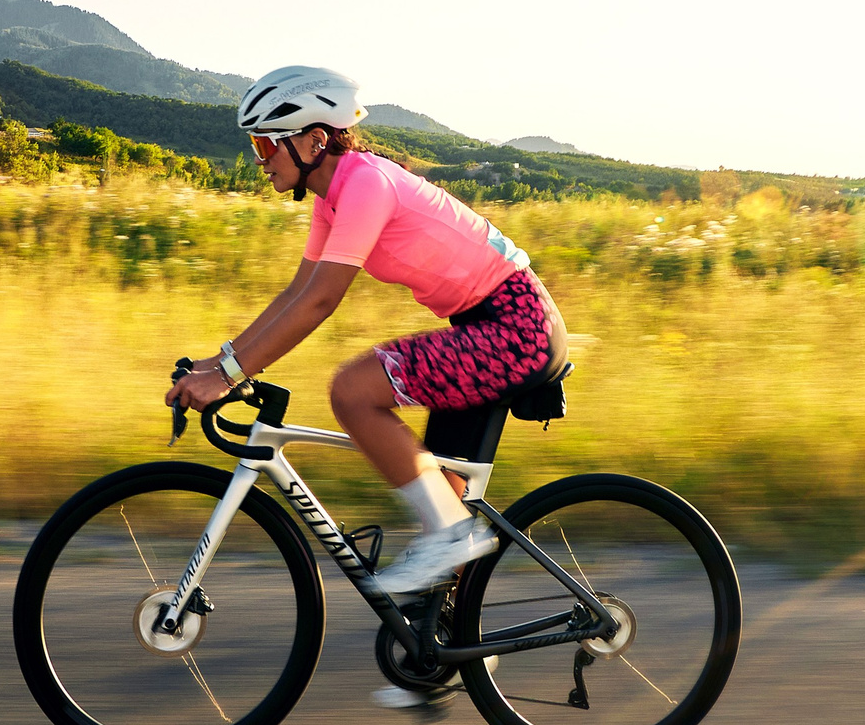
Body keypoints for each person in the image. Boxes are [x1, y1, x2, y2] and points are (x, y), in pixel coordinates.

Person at [167, 63, 571, 599]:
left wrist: (232, 373)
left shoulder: (366, 184)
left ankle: (452, 538)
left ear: (314, 140)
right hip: (489, 327)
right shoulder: (333, 196)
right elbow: (295, 293)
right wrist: (221, 363)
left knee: (353, 390)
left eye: (265, 147)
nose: (259, 162)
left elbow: (321, 301)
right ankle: (431, 666)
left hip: (515, 327)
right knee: (441, 513)